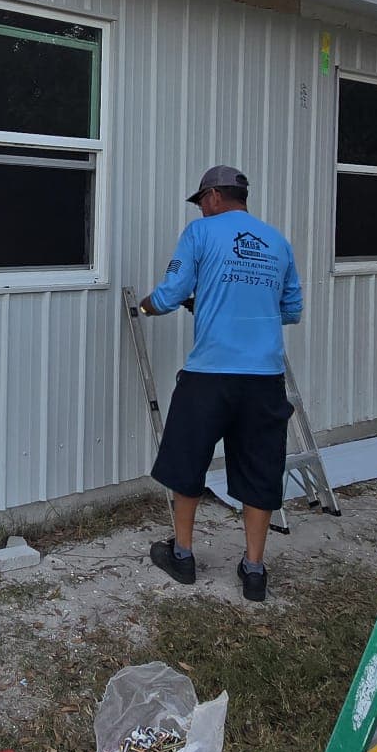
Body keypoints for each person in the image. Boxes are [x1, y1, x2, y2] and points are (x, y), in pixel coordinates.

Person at [136, 164, 303, 601]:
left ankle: (184, 557)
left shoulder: (201, 233)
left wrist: (148, 306)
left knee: (187, 461)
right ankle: (253, 571)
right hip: (264, 378)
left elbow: (171, 294)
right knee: (259, 468)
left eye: (202, 203)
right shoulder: (277, 241)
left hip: (210, 374)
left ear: (212, 197)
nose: (203, 210)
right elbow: (290, 309)